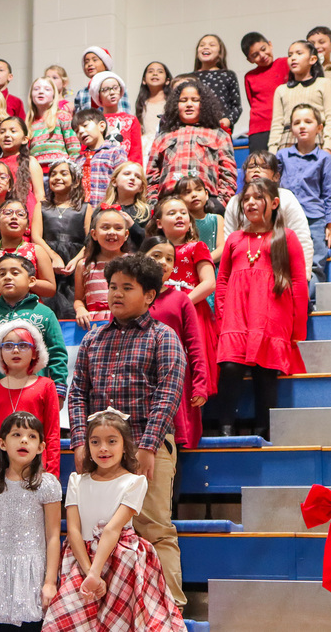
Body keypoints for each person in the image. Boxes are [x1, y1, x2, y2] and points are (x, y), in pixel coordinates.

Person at [67, 254, 187, 609]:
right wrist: (79, 442)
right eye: (112, 286)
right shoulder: (93, 339)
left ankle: (169, 611)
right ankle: (112, 610)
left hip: (149, 446)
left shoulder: (163, 336)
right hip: (101, 451)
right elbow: (77, 393)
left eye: (127, 288)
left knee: (153, 528)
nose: (116, 294)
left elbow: (169, 393)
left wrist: (148, 447)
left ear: (149, 295)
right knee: (99, 529)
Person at [44, 408, 186, 630]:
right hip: (81, 560)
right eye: (95, 442)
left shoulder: (135, 482)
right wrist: (89, 573)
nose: (103, 448)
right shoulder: (76, 481)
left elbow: (112, 529)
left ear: (125, 446)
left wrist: (95, 572)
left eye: (112, 441)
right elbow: (73, 530)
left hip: (120, 560)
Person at [216, 178, 308, 439]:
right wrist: (222, 317)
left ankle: (262, 431)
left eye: (258, 198)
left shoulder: (286, 237)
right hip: (236, 316)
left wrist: (297, 328)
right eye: (246, 199)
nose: (251, 203)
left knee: (265, 371)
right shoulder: (234, 239)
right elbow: (222, 281)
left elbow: (299, 283)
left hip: (271, 317)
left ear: (274, 203)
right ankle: (225, 429)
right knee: (230, 367)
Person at [0, 412, 61, 632]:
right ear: (2, 443)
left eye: (31, 436)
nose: (24, 440)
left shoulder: (47, 484)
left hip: (32, 573)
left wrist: (50, 582)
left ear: (41, 447)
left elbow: (53, 536)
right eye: (17, 434)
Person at [0, 253, 69, 397]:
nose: (7, 277)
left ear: (31, 281)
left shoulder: (45, 314)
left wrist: (59, 391)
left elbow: (57, 354)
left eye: (15, 273)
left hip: (34, 397)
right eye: (2, 274)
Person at [148, 196, 219, 397]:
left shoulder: (197, 247)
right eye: (172, 213)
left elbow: (209, 283)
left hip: (192, 312)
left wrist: (181, 303)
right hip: (161, 313)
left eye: (183, 213)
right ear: (159, 223)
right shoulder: (152, 251)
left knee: (190, 361)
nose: (179, 216)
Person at [142, 237, 209, 448]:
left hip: (175, 379)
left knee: (172, 446)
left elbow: (195, 345)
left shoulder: (181, 300)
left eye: (169, 258)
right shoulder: (130, 297)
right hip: (139, 379)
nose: (164, 262)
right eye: (157, 255)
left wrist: (200, 385)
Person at [0, 320, 60, 476]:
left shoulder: (46, 386)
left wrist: (52, 474)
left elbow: (52, 434)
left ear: (35, 352)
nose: (15, 350)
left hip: (36, 469)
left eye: (23, 345)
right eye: (8, 346)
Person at [276, 103, 331, 296]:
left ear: (319, 128)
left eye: (308, 121)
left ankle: (308, 302)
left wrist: (330, 224)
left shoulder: (324, 158)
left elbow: (330, 193)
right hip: (286, 219)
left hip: (315, 219)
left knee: (316, 263)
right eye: (297, 122)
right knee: (285, 264)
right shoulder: (282, 155)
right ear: (291, 129)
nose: (302, 126)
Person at [146, 78, 237, 208]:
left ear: (204, 104)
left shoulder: (219, 135)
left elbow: (228, 172)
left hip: (207, 204)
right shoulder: (163, 137)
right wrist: (154, 204)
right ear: (175, 105)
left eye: (195, 100)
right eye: (183, 100)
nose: (189, 104)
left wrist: (220, 203)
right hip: (169, 202)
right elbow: (151, 175)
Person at [0, 199, 55, 318]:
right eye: (8, 213)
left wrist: (25, 281)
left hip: (26, 313)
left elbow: (50, 289)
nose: (14, 217)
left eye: (20, 214)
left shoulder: (37, 251)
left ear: (27, 226)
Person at [35, 160, 91, 319]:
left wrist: (76, 261)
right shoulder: (42, 206)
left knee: (71, 305)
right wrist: (53, 257)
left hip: (74, 261)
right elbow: (36, 236)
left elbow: (90, 240)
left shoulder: (85, 208)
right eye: (53, 174)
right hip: (48, 260)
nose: (57, 177)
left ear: (75, 181)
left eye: (63, 173)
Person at [268, 40, 331, 154]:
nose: (293, 58)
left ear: (312, 59)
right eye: (290, 55)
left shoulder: (324, 84)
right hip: (287, 142)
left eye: (299, 53)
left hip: (317, 139)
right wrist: (273, 151)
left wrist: (328, 147)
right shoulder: (281, 90)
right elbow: (277, 124)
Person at [74, 206, 130, 329]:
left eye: (118, 228)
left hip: (126, 321)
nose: (112, 232)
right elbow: (78, 299)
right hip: (94, 324)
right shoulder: (84, 265)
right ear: (94, 234)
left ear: (126, 234)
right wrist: (80, 309)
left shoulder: (133, 263)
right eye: (105, 227)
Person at [242, 32, 290, 152]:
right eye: (255, 55)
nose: (262, 55)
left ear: (270, 44)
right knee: (260, 161)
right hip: (259, 128)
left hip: (284, 124)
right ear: (249, 60)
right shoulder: (249, 77)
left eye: (263, 49)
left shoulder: (285, 63)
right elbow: (252, 102)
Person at [72, 108, 128, 208]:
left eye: (85, 125)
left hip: (107, 210)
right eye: (76, 131)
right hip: (81, 211)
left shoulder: (115, 152)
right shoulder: (78, 160)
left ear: (101, 126)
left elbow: (123, 182)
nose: (80, 131)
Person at [27, 76, 80, 174]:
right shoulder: (28, 123)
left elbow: (74, 148)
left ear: (54, 95)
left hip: (59, 173)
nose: (41, 92)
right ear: (31, 95)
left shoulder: (63, 117)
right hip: (36, 174)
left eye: (47, 89)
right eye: (36, 89)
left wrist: (73, 172)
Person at [192, 33, 242, 131]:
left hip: (221, 130)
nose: (206, 47)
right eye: (202, 45)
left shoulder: (228, 75)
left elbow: (236, 107)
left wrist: (227, 120)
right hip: (195, 130)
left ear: (220, 53)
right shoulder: (190, 78)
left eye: (212, 45)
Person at [89, 72, 142, 164]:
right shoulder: (93, 122)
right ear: (98, 95)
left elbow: (136, 153)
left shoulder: (131, 120)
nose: (112, 92)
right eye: (105, 90)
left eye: (115, 88)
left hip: (125, 169)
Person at [173, 174, 225, 264]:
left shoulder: (217, 219)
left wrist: (203, 262)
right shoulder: (180, 222)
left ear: (206, 194)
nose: (194, 195)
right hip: (187, 267)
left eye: (198, 190)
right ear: (179, 199)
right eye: (187, 192)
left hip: (212, 267)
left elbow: (222, 248)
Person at [73, 46, 132, 113]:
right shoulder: (82, 93)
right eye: (86, 62)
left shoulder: (117, 88)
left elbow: (125, 113)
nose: (90, 64)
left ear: (105, 65)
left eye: (95, 60)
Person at [135, 61, 172, 140]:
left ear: (167, 80)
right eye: (150, 71)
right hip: (146, 143)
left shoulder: (171, 102)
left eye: (160, 71)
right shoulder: (142, 104)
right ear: (144, 80)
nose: (155, 74)